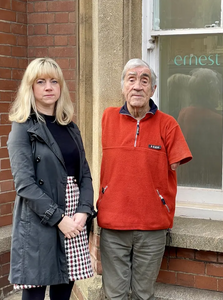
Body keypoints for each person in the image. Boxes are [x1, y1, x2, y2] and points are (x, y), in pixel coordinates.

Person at [97, 58, 192, 300]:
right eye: (131, 79)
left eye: (144, 80)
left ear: (153, 89)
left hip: (152, 227)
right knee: (113, 295)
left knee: (143, 295)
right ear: (123, 87)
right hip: (113, 226)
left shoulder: (168, 124)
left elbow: (177, 161)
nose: (137, 86)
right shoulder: (107, 119)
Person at [7, 57, 95, 300]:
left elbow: (84, 174)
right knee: (34, 296)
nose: (48, 87)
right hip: (40, 221)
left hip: (74, 218)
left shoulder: (70, 127)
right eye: (41, 81)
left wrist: (84, 211)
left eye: (54, 81)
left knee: (62, 294)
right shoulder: (22, 128)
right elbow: (25, 185)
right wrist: (59, 219)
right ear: (31, 87)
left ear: (61, 87)